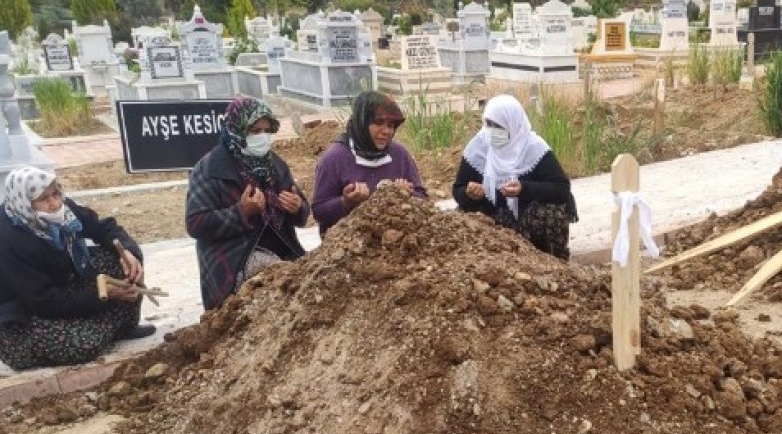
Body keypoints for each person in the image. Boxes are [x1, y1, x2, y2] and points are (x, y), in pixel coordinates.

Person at [0, 166, 153, 371]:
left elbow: (103, 227)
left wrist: (126, 251)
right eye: (44, 199)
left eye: (55, 194)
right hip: (26, 315)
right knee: (83, 345)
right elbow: (43, 301)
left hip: (63, 285)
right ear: (25, 204)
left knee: (117, 259)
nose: (54, 204)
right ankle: (102, 326)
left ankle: (121, 326)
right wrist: (102, 295)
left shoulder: (64, 210)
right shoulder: (10, 239)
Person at [186, 95, 310, 310]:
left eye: (266, 130)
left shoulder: (275, 166)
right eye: (254, 131)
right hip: (233, 258)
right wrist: (241, 212)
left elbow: (303, 213)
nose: (262, 137)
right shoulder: (210, 169)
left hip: (282, 248)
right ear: (236, 129)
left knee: (313, 279)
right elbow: (196, 223)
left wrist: (297, 207)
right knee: (283, 280)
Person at [452, 94, 577, 260]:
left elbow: (561, 189)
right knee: (458, 218)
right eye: (488, 124)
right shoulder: (478, 148)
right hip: (492, 216)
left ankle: (552, 260)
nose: (491, 131)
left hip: (526, 217)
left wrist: (524, 189)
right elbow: (458, 189)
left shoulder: (534, 148)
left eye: (498, 126)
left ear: (512, 125)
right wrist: (470, 193)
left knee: (551, 213)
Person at [311, 90, 427, 235]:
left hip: (398, 242)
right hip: (350, 245)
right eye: (378, 123)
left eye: (390, 125)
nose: (386, 131)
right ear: (362, 122)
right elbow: (319, 212)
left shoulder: (399, 154)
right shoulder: (334, 158)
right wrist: (346, 203)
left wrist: (407, 195)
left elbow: (422, 198)